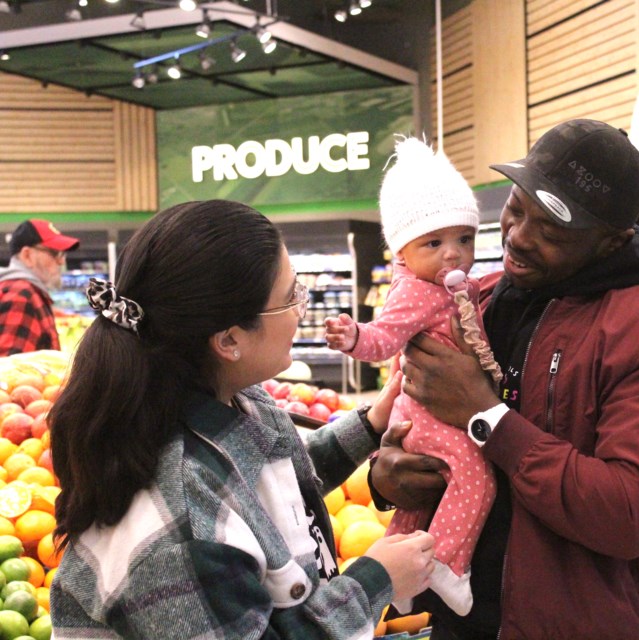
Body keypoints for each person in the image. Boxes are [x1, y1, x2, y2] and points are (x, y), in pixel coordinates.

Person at [370, 119, 639, 639]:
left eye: (550, 231)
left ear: (612, 241)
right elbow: (406, 422)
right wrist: (387, 476)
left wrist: (486, 416)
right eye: (515, 208)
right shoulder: (475, 301)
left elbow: (630, 512)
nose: (518, 237)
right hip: (456, 619)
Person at [48, 200, 435, 639]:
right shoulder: (181, 533)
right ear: (229, 340)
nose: (301, 310)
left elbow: (262, 488)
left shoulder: (219, 400)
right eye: (291, 297)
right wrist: (374, 582)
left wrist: (371, 423)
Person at [325, 137, 501, 617]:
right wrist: (354, 337)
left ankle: (400, 573)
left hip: (421, 414)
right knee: (474, 474)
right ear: (401, 249)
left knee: (417, 505)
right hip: (430, 415)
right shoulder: (417, 293)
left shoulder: (447, 286)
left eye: (464, 239)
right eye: (434, 242)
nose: (453, 254)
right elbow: (382, 340)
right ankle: (447, 563)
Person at [0, 219, 80, 355]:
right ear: (27, 255)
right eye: (55, 253)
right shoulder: (21, 294)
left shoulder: (26, 291)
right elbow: (9, 371)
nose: (61, 261)